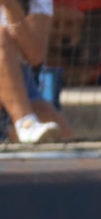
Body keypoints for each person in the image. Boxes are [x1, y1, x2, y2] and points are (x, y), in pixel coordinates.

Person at [0, 0, 72, 143]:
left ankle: (25, 123)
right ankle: (26, 122)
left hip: (21, 84)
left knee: (62, 134)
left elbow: (35, 57)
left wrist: (10, 5)